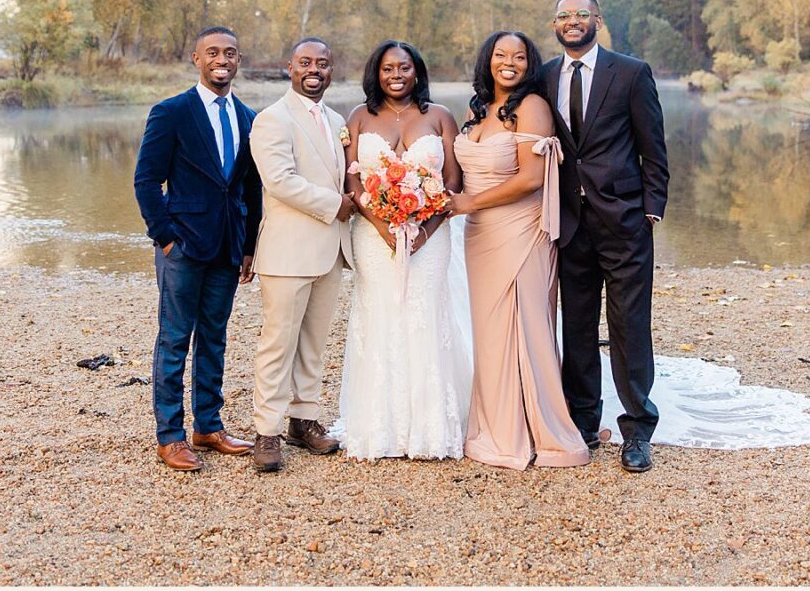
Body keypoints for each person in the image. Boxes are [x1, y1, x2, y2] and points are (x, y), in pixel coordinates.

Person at [448, 31, 590, 470]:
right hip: (479, 235)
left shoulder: (532, 107)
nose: (509, 63)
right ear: (487, 60)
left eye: (519, 57)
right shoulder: (477, 109)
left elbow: (531, 178)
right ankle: (495, 424)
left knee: (525, 326)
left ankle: (534, 427)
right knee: (490, 331)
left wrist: (469, 202)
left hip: (521, 230)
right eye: (500, 55)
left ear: (530, 64)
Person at [541, 0, 669, 473]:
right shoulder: (545, 76)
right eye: (564, 16)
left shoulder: (631, 73)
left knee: (629, 326)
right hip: (569, 224)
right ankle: (582, 422)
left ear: (597, 19)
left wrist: (651, 211)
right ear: (555, 24)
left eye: (581, 14)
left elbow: (653, 148)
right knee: (576, 326)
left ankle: (637, 430)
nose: (572, 22)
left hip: (625, 222)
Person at [133, 26, 264, 472]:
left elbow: (250, 188)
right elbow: (146, 181)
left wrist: (249, 246)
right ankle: (170, 436)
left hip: (228, 246)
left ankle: (208, 426)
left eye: (229, 53)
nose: (221, 60)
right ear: (197, 59)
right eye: (212, 53)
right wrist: (165, 237)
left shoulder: (249, 118)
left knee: (214, 337)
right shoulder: (171, 112)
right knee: (174, 339)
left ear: (239, 59)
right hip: (183, 246)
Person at [334, 40, 470, 460]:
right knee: (380, 314)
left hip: (431, 235)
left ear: (417, 72)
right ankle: (381, 427)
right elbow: (352, 182)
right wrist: (382, 226)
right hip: (373, 236)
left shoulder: (440, 116)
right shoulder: (358, 117)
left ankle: (429, 429)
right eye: (388, 68)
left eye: (404, 68)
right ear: (376, 73)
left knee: (424, 315)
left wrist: (424, 232)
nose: (396, 75)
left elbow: (453, 183)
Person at [247, 37, 357, 473]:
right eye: (306, 62)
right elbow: (279, 180)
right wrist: (336, 205)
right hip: (289, 251)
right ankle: (267, 431)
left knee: (314, 343)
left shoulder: (337, 120)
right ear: (289, 67)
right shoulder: (272, 119)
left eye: (323, 63)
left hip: (331, 250)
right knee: (278, 344)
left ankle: (304, 419)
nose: (315, 70)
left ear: (331, 70)